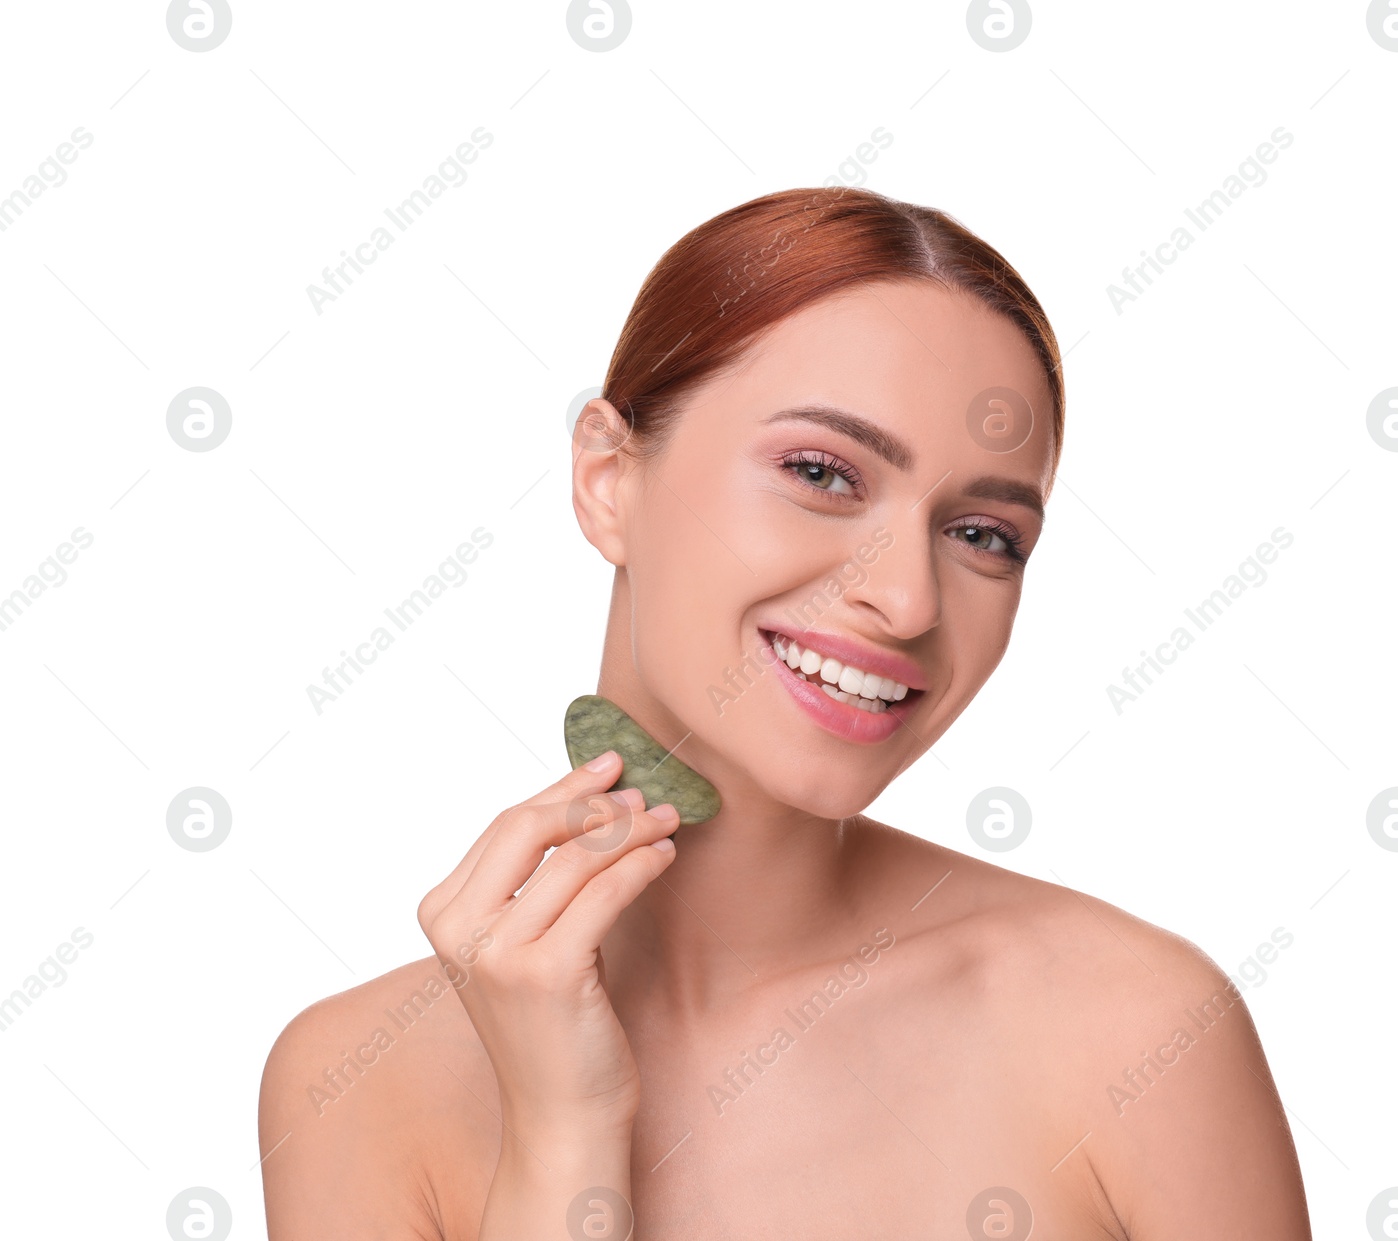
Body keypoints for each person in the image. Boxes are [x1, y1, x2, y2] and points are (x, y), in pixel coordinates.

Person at [259, 186, 1313, 1240]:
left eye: (984, 534)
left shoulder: (1136, 1031)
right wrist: (562, 1131)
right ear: (606, 479)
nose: (906, 598)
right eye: (821, 472)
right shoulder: (354, 1083)